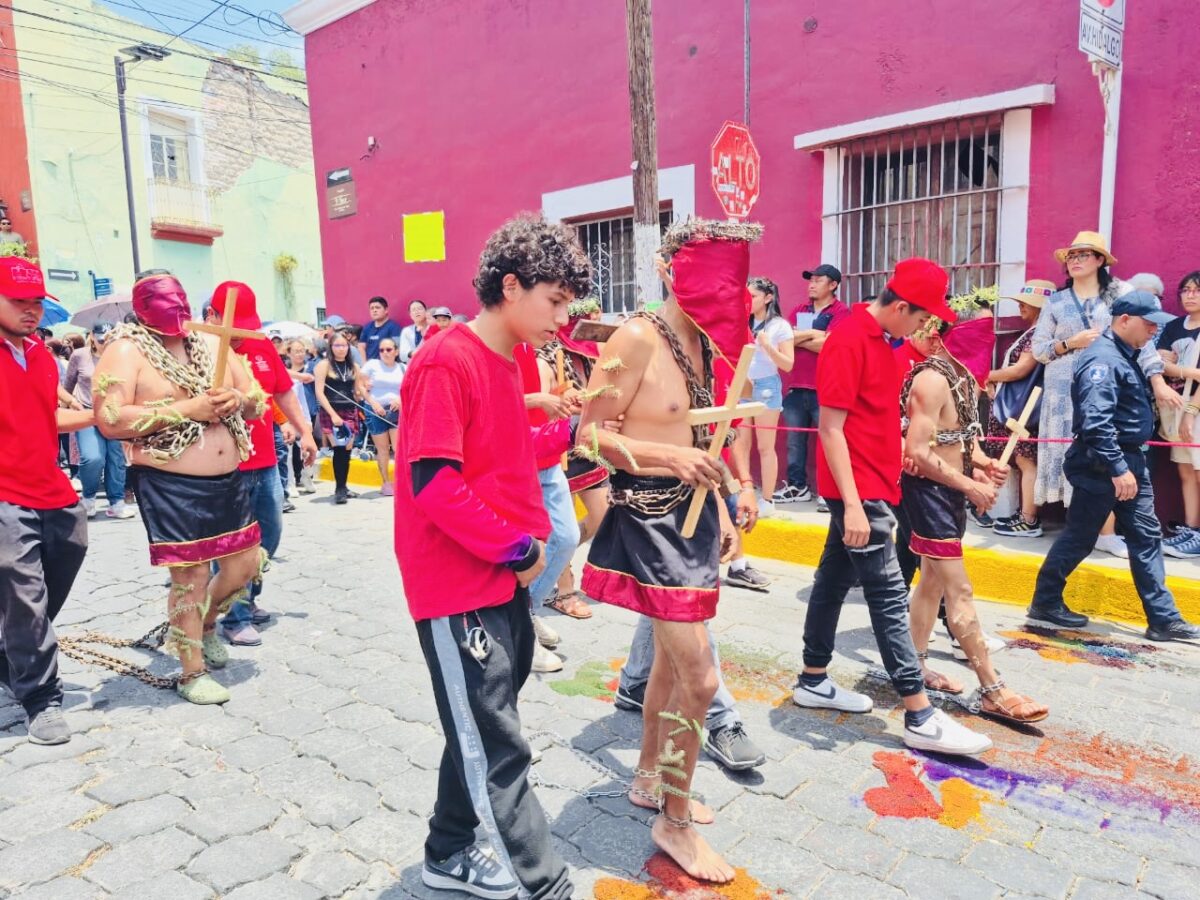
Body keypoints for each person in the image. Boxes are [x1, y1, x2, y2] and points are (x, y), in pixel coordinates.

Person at [395, 214, 590, 900]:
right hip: (458, 583)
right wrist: (520, 549)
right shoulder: (446, 359)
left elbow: (506, 454)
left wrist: (579, 429)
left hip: (503, 578)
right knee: (499, 744)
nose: (563, 319)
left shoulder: (509, 361)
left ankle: (448, 850)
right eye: (555, 301)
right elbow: (434, 485)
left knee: (481, 725)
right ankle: (543, 882)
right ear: (511, 286)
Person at [579, 219, 763, 883]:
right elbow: (588, 436)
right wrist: (668, 457)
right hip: (648, 520)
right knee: (700, 678)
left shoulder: (708, 343)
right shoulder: (633, 339)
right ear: (668, 271)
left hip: (697, 519)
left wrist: (730, 494)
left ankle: (648, 778)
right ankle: (674, 821)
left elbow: (712, 434)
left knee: (665, 664)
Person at [793, 257, 991, 757]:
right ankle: (919, 714)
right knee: (886, 594)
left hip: (877, 485)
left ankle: (813, 678)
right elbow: (830, 428)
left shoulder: (885, 342)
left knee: (833, 580)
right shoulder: (849, 339)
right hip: (860, 491)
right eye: (922, 317)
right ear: (901, 307)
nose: (924, 327)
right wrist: (853, 506)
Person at [93, 272, 265, 704]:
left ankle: (205, 625)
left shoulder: (209, 340)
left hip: (228, 479)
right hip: (169, 482)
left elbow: (255, 400)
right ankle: (191, 672)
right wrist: (189, 408)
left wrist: (236, 400)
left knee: (245, 565)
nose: (174, 307)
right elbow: (110, 419)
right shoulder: (125, 349)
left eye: (178, 298)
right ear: (141, 306)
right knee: (190, 577)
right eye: (161, 300)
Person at [900, 313, 1049, 723]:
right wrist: (971, 486)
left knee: (931, 584)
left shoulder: (965, 380)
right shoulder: (931, 380)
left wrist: (984, 465)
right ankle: (992, 689)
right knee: (959, 589)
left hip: (950, 493)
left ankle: (914, 665)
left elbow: (961, 440)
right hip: (929, 494)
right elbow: (918, 452)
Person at [1028, 292, 1200, 643]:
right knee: (1080, 537)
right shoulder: (1103, 360)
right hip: (1103, 464)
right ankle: (1045, 601)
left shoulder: (1127, 354)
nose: (1153, 331)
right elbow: (1096, 423)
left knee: (1146, 537)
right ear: (1124, 320)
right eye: (1148, 323)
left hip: (1128, 460)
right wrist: (1119, 469)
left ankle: (1164, 619)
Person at [1031, 232, 1181, 559]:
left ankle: (1107, 533)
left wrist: (1158, 382)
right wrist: (1070, 343)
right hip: (1062, 393)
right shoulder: (1056, 302)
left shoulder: (1121, 294)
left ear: (1100, 260)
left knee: (1106, 451)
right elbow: (1039, 349)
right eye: (1071, 255)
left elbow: (1144, 343)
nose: (1075, 260)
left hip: (1111, 387)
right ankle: (1082, 533)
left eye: (1084, 254)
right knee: (1075, 459)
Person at [0, 257, 93, 744]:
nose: (30, 310)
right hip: (4, 491)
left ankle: (14, 645)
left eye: (36, 301)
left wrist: (100, 416)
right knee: (23, 587)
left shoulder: (39, 354)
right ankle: (40, 697)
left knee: (71, 549)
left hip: (50, 485)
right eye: (18, 301)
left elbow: (46, 419)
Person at [208, 284, 318, 647]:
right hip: (224, 468)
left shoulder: (262, 346)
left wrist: (305, 432)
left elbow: (282, 392)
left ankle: (248, 596)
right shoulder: (203, 350)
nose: (241, 334)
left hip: (266, 462)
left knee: (269, 535)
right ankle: (233, 616)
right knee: (233, 546)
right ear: (213, 317)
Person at [517, 344, 579, 673]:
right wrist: (538, 399)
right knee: (525, 552)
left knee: (566, 538)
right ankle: (521, 631)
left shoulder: (537, 348)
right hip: (516, 462)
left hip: (548, 455)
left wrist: (562, 399)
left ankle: (527, 609)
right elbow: (487, 403)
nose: (560, 321)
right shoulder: (497, 341)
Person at [984, 280, 1053, 537]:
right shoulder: (1033, 332)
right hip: (1020, 406)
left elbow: (1021, 370)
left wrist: (986, 376)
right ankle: (1024, 515)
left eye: (1027, 303)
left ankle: (1029, 519)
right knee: (1023, 460)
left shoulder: (1039, 334)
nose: (1021, 306)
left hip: (1026, 409)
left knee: (1026, 461)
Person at [780, 264, 848, 505]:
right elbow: (784, 339)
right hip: (797, 387)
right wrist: (816, 334)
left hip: (825, 388)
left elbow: (832, 345)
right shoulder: (799, 309)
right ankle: (797, 487)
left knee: (829, 441)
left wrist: (801, 337)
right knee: (794, 442)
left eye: (818, 280)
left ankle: (828, 492)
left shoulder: (841, 312)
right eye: (811, 280)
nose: (812, 284)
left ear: (833, 285)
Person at [734, 277, 793, 520]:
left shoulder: (780, 325)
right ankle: (744, 492)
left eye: (753, 296)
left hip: (766, 385)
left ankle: (768, 499)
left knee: (765, 446)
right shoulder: (742, 322)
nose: (748, 300)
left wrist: (767, 346)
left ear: (768, 298)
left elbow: (788, 364)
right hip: (742, 384)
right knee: (741, 443)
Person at [65, 323, 135, 519]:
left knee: (116, 458)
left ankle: (117, 502)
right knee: (92, 457)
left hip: (115, 413)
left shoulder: (121, 355)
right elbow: (68, 383)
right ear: (92, 337)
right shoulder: (80, 356)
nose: (105, 343)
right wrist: (69, 404)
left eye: (109, 339)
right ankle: (88, 497)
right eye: (101, 339)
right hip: (87, 412)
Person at [1159, 271, 1200, 557]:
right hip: (1175, 407)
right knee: (1185, 470)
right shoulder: (1175, 326)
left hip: (1194, 409)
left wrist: (1191, 412)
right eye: (1186, 290)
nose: (1190, 295)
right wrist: (1188, 372)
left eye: (1197, 290)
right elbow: (1159, 363)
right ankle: (1192, 529)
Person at [315, 332, 364, 504]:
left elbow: (357, 391)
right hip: (331, 411)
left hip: (349, 410)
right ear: (331, 347)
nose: (341, 349)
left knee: (347, 450)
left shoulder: (354, 366)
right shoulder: (324, 365)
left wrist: (363, 393)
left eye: (344, 345)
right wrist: (333, 415)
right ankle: (340, 489)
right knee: (339, 449)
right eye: (337, 345)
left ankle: (344, 485)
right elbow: (319, 392)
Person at [361, 336, 404, 495]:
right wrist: (373, 403)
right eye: (381, 350)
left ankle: (400, 482)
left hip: (396, 411)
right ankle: (386, 482)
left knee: (399, 449)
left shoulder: (402, 368)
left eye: (389, 349)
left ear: (396, 351)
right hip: (375, 410)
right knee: (383, 449)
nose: (385, 352)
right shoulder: (372, 365)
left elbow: (409, 388)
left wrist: (400, 400)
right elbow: (360, 386)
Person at [285, 339, 318, 495]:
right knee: (288, 453)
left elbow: (303, 401)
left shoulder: (308, 371)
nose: (299, 354)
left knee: (307, 449)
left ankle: (306, 477)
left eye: (302, 350)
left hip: (302, 416)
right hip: (286, 418)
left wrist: (307, 420)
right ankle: (290, 483)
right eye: (296, 351)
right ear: (288, 353)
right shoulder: (284, 374)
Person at [358, 296, 402, 361]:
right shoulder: (367, 327)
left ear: (386, 310)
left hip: (386, 364)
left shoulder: (394, 327)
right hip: (369, 365)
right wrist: (365, 364)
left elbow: (396, 348)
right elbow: (361, 346)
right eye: (372, 308)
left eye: (377, 307)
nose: (374, 310)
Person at [398, 300, 429, 367]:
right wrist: (414, 353)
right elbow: (403, 356)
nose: (417, 312)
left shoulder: (432, 328)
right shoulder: (406, 331)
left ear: (426, 311)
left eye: (420, 308)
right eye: (414, 310)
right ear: (410, 314)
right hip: (413, 368)